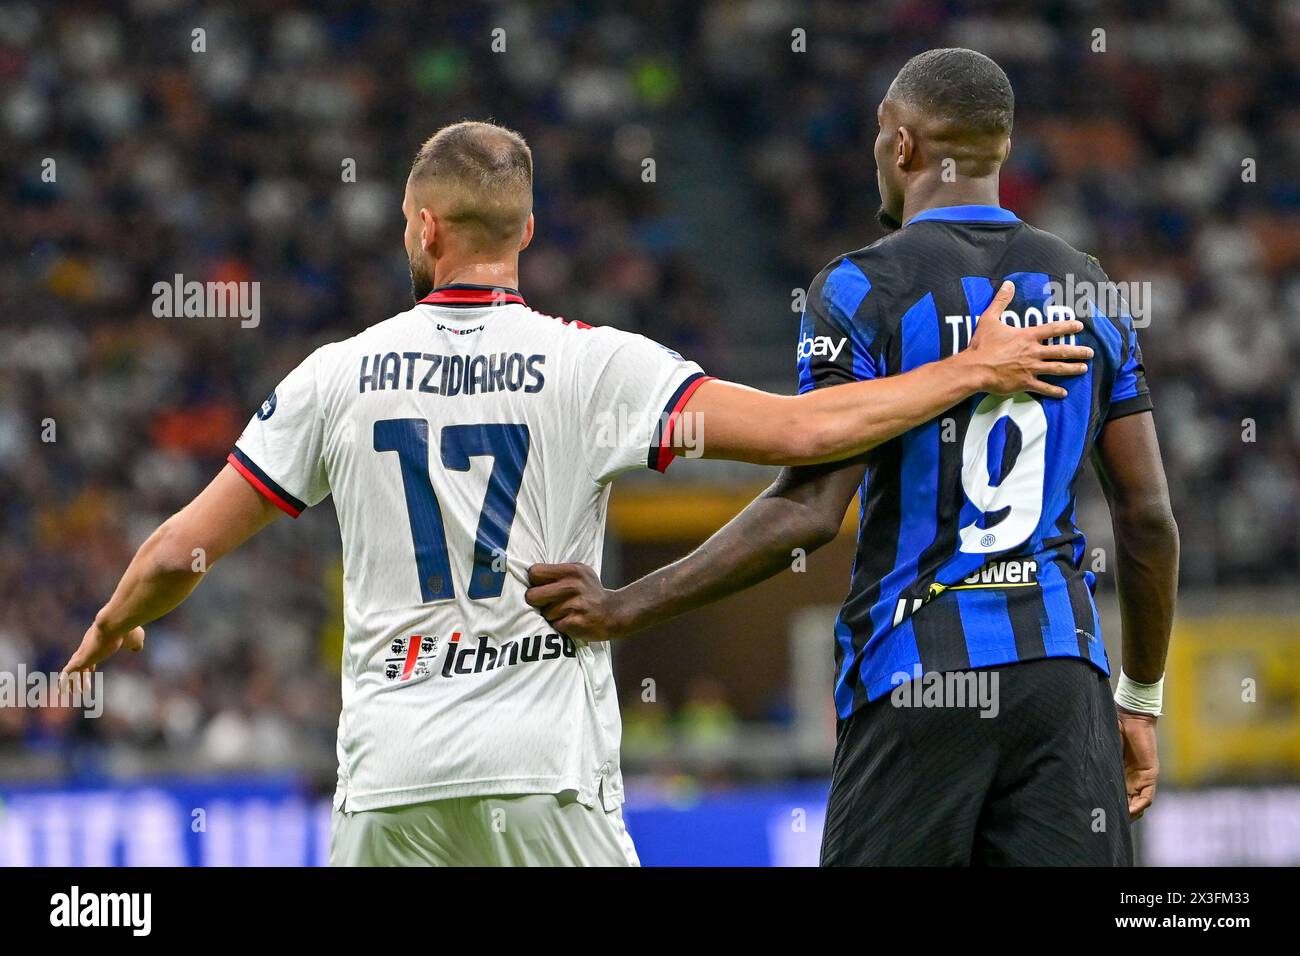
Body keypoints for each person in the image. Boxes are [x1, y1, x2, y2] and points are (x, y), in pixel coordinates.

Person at [63, 119, 1091, 867]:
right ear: (528, 231)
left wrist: (116, 620)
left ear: (424, 228)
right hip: (541, 773)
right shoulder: (593, 367)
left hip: (391, 782)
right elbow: (804, 429)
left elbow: (170, 554)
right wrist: (969, 370)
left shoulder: (338, 375)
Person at [526, 50, 1180, 866]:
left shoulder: (860, 289)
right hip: (1063, 678)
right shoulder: (1089, 289)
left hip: (917, 670)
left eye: (879, 138)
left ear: (903, 148)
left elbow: (805, 511)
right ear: (999, 151)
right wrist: (1140, 699)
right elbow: (1148, 518)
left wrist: (626, 606)